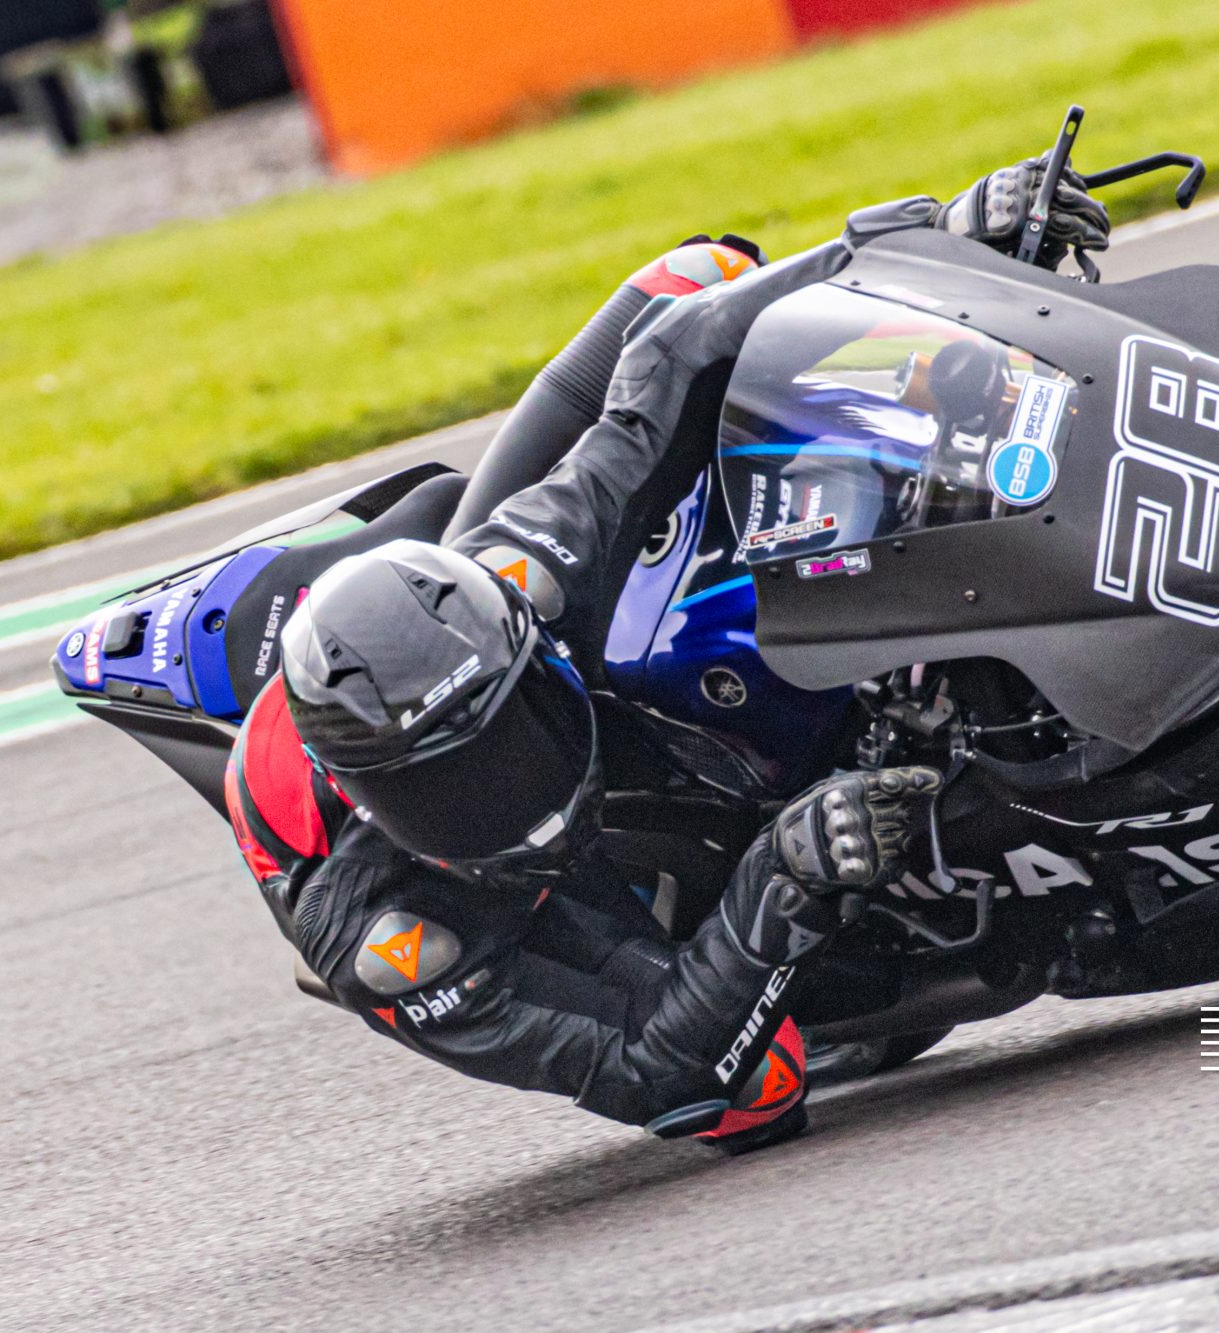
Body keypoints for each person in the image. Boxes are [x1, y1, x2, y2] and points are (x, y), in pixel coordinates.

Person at [223, 159, 1112, 1150]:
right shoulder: (398, 942)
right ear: (389, 804)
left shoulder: (519, 577)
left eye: (521, 734)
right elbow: (650, 1071)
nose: (516, 788)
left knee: (697, 275)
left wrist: (933, 230)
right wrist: (784, 870)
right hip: (516, 905)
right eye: (464, 788)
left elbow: (670, 362)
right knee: (751, 1092)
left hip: (480, 595)